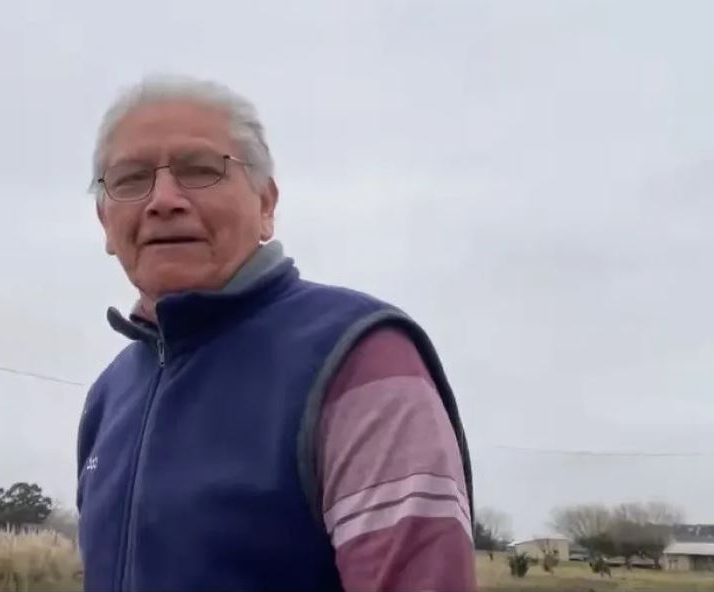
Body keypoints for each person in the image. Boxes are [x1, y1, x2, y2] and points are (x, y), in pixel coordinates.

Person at [76, 75, 476, 592]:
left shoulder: (359, 358)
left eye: (199, 170)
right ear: (106, 221)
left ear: (266, 205)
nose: (163, 200)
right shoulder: (108, 398)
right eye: (131, 179)